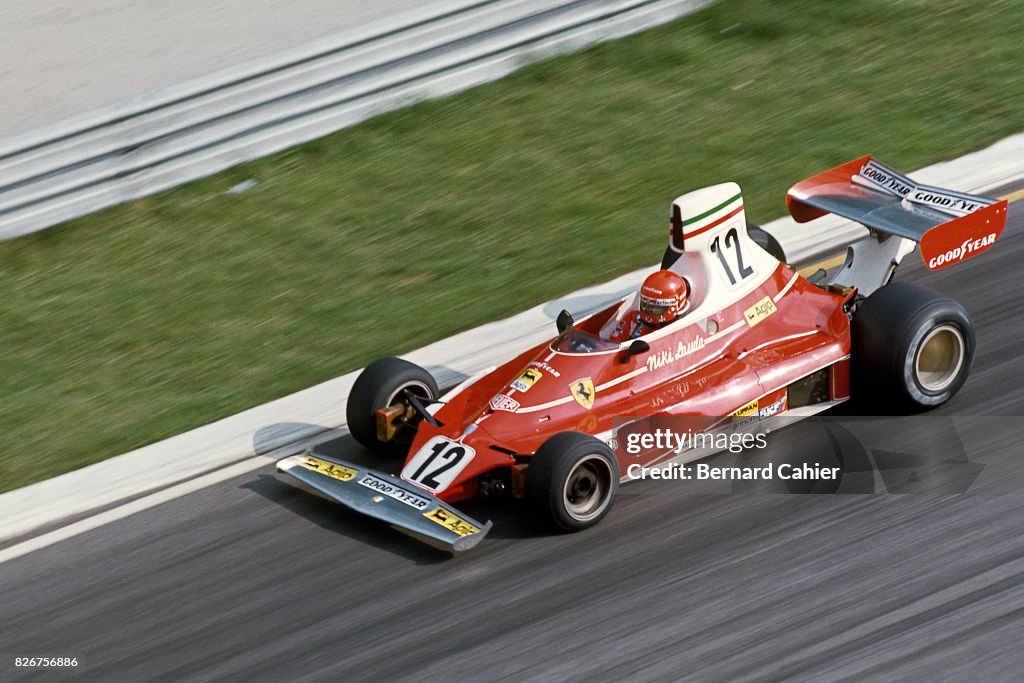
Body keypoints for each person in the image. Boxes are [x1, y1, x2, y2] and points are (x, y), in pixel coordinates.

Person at [606, 269, 690, 342]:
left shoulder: (681, 334)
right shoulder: (633, 319)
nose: (649, 310)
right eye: (646, 304)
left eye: (657, 307)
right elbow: (612, 344)